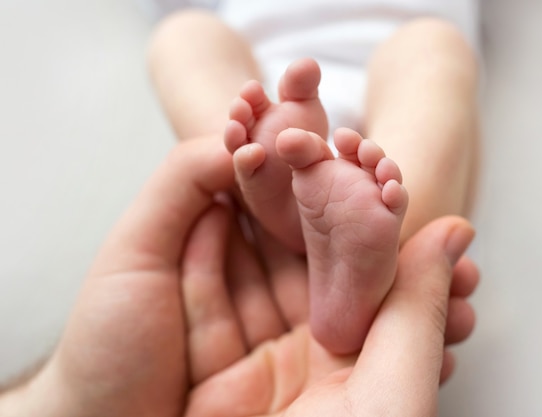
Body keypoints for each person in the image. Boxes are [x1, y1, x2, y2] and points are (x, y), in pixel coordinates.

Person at [0, 137, 477, 416]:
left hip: (261, 60)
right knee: (432, 49)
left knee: (183, 38)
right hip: (380, 51)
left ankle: (267, 166)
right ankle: (274, 168)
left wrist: (68, 403)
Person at [147, 0, 480, 354]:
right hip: (260, 85)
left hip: (396, 67)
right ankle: (272, 193)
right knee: (183, 32)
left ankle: (385, 250)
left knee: (436, 44)